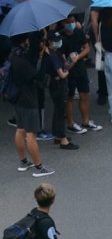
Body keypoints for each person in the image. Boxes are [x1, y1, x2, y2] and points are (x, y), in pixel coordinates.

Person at [11, 35, 54, 177]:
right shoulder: (23, 60)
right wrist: (41, 58)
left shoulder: (14, 55)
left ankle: (23, 162)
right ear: (24, 40)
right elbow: (36, 76)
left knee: (20, 130)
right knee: (31, 134)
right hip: (29, 98)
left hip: (18, 97)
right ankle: (39, 168)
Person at [61, 17, 100, 135]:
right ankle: (70, 123)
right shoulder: (61, 38)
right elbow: (62, 58)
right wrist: (70, 62)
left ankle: (86, 121)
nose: (71, 24)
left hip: (80, 67)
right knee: (69, 97)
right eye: (68, 22)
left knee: (85, 94)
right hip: (69, 70)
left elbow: (87, 48)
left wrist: (77, 57)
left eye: (72, 21)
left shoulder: (78, 32)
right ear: (63, 23)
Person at [41, 32, 77, 150]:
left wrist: (70, 61)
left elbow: (64, 66)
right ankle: (63, 140)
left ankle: (57, 135)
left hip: (55, 85)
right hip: (58, 86)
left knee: (58, 110)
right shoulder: (52, 55)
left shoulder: (54, 52)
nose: (59, 41)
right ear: (50, 42)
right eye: (56, 40)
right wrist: (69, 70)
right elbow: (62, 74)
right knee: (61, 112)